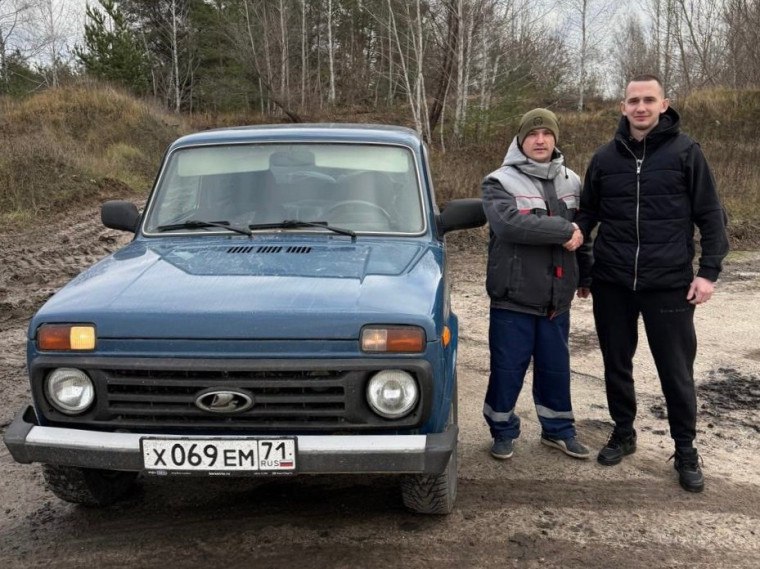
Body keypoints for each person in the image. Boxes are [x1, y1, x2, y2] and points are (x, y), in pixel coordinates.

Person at [575, 74, 729, 492]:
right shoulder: (604, 158)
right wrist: (583, 264)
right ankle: (623, 432)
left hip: (669, 283)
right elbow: (587, 214)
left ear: (664, 104)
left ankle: (685, 449)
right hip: (613, 281)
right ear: (622, 107)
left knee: (675, 370)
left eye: (648, 100)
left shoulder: (686, 152)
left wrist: (708, 272)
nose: (640, 107)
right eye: (633, 101)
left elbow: (711, 215)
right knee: (616, 364)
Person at [481, 108, 592, 461]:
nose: (540, 140)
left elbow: (584, 234)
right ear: (520, 139)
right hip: (513, 297)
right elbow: (508, 225)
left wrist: (585, 275)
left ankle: (558, 431)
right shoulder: (498, 181)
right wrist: (563, 230)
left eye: (546, 133)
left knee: (555, 370)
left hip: (556, 300)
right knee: (507, 371)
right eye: (532, 134)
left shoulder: (573, 181)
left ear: (555, 138)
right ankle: (502, 431)